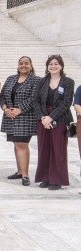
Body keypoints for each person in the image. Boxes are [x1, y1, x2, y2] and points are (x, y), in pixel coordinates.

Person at [34, 55, 74, 190]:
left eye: (56, 63)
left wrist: (51, 117)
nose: (53, 66)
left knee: (58, 150)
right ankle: (45, 177)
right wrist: (43, 118)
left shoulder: (68, 82)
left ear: (61, 66)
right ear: (47, 67)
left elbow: (66, 102)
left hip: (60, 119)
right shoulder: (42, 81)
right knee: (44, 149)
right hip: (43, 119)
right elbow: (36, 102)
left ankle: (56, 179)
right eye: (50, 64)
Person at [0, 56, 40, 186]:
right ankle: (19, 171)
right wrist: (5, 108)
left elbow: (34, 98)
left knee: (22, 144)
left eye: (26, 63)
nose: (23, 65)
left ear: (31, 65)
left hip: (25, 117)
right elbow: (2, 96)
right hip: (10, 117)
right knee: (16, 144)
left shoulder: (36, 80)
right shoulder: (11, 79)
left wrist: (19, 109)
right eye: (21, 63)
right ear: (17, 65)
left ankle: (25, 174)